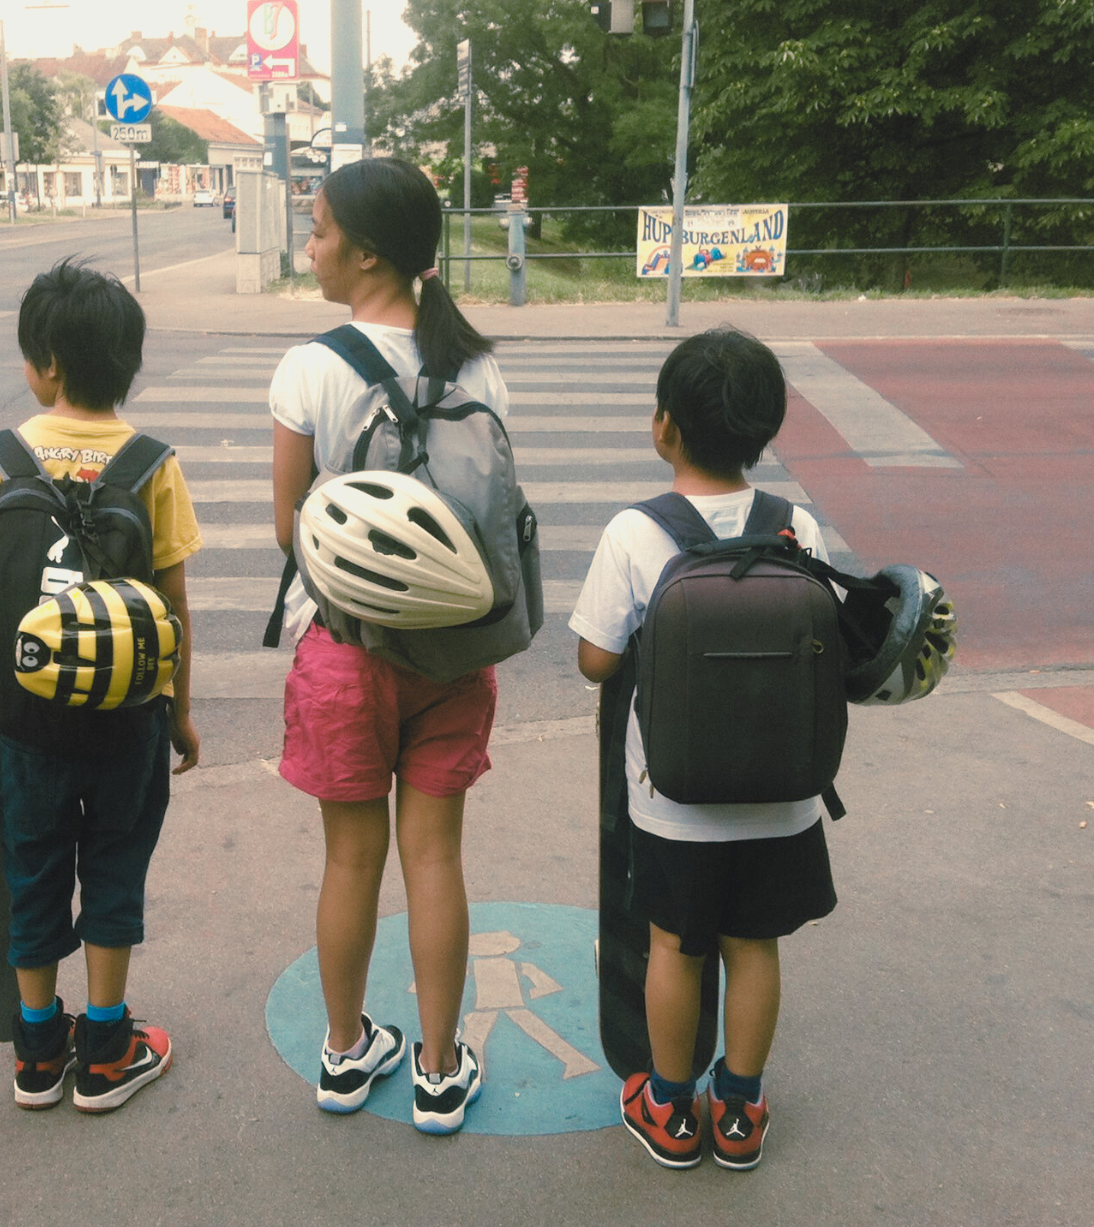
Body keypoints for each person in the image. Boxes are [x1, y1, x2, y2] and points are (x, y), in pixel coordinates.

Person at [0, 258, 202, 1113]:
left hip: (25, 726)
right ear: (129, 363)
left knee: (31, 872)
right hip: (125, 722)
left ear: (43, 363)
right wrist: (178, 714)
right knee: (114, 868)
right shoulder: (153, 463)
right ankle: (109, 1049)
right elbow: (174, 606)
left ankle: (37, 1053)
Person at [268, 157, 509, 1135]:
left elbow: (289, 523)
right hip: (454, 651)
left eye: (319, 230)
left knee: (351, 862)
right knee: (436, 860)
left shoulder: (312, 366)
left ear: (366, 252)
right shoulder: (477, 362)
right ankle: (442, 1071)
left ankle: (343, 1053)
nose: (310, 246)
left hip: (344, 653)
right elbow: (488, 513)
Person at [569, 327, 838, 1170]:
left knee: (673, 948)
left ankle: (671, 1108)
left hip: (672, 800)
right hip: (781, 791)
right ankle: (741, 1107)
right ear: (765, 431)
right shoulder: (797, 526)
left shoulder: (635, 533)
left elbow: (594, 658)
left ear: (662, 428)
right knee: (753, 944)